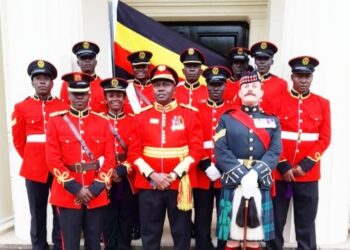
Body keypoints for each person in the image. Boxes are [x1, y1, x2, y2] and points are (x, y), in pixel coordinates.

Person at [128, 65, 204, 250]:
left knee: (181, 233)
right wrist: (153, 175)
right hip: (149, 184)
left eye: (165, 84)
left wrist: (174, 175)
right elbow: (134, 153)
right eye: (157, 85)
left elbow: (196, 150)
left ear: (174, 88)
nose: (161, 88)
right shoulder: (141, 117)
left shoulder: (189, 114)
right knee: (150, 233)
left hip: (179, 184)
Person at [266, 56, 331, 250]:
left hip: (308, 174)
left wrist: (306, 165)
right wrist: (283, 164)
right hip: (279, 173)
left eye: (307, 76)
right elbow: (269, 136)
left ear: (312, 78)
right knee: (275, 222)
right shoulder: (275, 102)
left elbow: (325, 138)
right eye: (299, 76)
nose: (303, 80)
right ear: (292, 76)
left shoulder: (322, 103)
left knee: (306, 224)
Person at [46, 72, 115, 250]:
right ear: (68, 95)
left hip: (95, 192)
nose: (79, 98)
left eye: (83, 94)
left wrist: (97, 187)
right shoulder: (55, 122)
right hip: (67, 193)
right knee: (69, 244)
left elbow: (110, 158)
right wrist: (75, 188)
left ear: (89, 95)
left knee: (94, 243)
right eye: (75, 94)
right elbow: (52, 159)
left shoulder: (102, 122)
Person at [214, 72, 281, 250]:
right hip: (233, 181)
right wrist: (242, 174)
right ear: (240, 92)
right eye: (246, 87)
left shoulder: (272, 120)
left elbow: (275, 151)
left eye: (254, 87)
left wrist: (255, 174)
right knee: (231, 239)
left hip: (259, 182)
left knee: (254, 239)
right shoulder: (226, 119)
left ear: (261, 93)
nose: (250, 89)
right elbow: (220, 149)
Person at [11, 59, 66, 250]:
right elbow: (18, 141)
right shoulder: (21, 107)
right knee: (37, 212)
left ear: (52, 83)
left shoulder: (62, 107)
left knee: (60, 210)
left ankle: (60, 245)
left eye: (46, 78)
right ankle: (39, 246)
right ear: (32, 82)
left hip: (60, 168)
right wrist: (31, 160)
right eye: (38, 78)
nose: (42, 82)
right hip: (34, 169)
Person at [194, 66, 233, 250]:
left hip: (226, 173)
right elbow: (193, 141)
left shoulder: (234, 112)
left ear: (225, 85)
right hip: (203, 173)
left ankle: (223, 247)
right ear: (206, 85)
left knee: (225, 215)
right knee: (202, 216)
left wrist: (222, 165)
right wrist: (206, 164)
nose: (215, 88)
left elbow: (237, 143)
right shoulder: (196, 111)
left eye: (219, 84)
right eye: (212, 84)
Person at [100, 77, 138, 250]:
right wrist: (108, 171)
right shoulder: (98, 120)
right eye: (111, 95)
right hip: (104, 177)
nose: (115, 99)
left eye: (118, 95)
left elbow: (138, 148)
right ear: (105, 98)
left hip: (126, 177)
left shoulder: (134, 120)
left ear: (124, 98)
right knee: (107, 220)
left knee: (126, 218)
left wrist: (123, 169)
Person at [60, 41, 106, 113]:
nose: (87, 61)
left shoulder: (104, 86)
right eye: (83, 58)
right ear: (78, 63)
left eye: (90, 58)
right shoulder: (67, 84)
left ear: (96, 62)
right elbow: (65, 110)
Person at [250, 41, 288, 113]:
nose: (262, 62)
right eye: (259, 58)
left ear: (272, 62)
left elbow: (283, 109)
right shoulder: (246, 82)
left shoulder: (281, 84)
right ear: (255, 61)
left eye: (266, 59)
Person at [124, 50, 155, 115]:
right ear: (132, 68)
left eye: (143, 66)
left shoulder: (156, 88)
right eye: (137, 67)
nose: (140, 69)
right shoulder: (125, 88)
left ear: (148, 67)